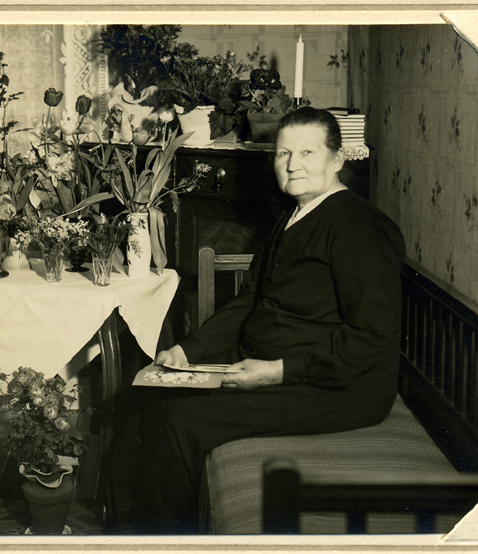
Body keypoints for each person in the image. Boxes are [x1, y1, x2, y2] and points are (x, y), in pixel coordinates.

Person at [108, 106, 406, 534]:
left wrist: (275, 372)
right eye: (284, 153)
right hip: (275, 364)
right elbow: (252, 300)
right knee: (147, 396)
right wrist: (188, 350)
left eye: (307, 152)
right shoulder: (292, 215)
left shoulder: (359, 227)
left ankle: (154, 539)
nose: (293, 164)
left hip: (337, 387)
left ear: (337, 159)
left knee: (182, 421)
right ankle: (122, 530)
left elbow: (371, 338)